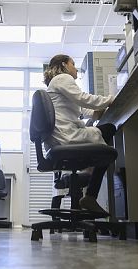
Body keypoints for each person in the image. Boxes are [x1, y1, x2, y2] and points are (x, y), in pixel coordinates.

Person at [43, 54, 116, 215]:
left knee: (104, 133)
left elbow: (83, 109)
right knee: (109, 130)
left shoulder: (57, 84)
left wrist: (98, 111)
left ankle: (90, 190)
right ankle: (90, 195)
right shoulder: (63, 78)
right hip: (66, 136)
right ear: (64, 65)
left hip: (61, 138)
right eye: (73, 64)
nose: (75, 69)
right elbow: (83, 98)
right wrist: (110, 99)